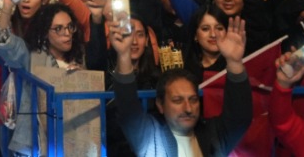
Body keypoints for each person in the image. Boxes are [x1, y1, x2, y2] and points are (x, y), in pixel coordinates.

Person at [107, 15, 253, 157]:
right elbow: (128, 110)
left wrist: (234, 63)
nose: (188, 108)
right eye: (178, 100)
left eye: (193, 100)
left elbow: (239, 117)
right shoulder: (152, 137)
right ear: (160, 105)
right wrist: (124, 55)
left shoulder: (213, 136)